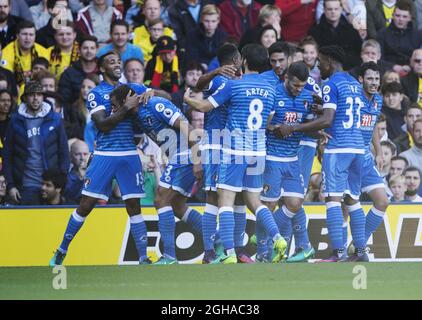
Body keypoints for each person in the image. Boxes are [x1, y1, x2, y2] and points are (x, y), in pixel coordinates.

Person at [184, 44, 288, 264]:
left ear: (245, 61)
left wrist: (187, 100)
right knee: (254, 200)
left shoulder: (235, 85)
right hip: (258, 151)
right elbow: (268, 120)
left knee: (225, 200)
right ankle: (277, 237)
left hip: (233, 150)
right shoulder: (271, 88)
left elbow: (203, 107)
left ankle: (229, 253)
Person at [49, 50, 151, 267]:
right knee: (86, 204)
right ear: (102, 68)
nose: (116, 65)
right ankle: (61, 249)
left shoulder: (133, 88)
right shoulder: (96, 93)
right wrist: (127, 107)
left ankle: (144, 258)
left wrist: (152, 94)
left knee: (134, 205)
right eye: (111, 62)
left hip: (129, 154)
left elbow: (164, 97)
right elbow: (103, 124)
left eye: (118, 61)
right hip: (105, 154)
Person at [275, 45, 368, 262]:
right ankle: (361, 251)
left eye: (320, 62)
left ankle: (338, 252)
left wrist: (293, 128)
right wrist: (322, 106)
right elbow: (345, 111)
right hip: (358, 147)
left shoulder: (330, 84)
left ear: (329, 61)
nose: (318, 67)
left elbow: (327, 120)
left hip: (339, 147)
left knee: (332, 199)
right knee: (353, 200)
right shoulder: (355, 84)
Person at [111, 85, 204, 265]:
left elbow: (186, 125)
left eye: (116, 105)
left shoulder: (154, 105)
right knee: (177, 205)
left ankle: (169, 257)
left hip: (185, 154)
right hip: (176, 156)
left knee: (160, 200)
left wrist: (196, 159)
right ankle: (217, 239)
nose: (115, 110)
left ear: (129, 99)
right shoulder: (135, 116)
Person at [194, 43, 250, 263]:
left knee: (236, 197)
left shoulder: (235, 81)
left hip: (233, 145)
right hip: (216, 144)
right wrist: (216, 71)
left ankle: (236, 248)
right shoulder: (220, 80)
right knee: (212, 197)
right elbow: (199, 88)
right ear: (236, 61)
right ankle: (210, 251)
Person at [259, 61, 316, 263]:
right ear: (286, 78)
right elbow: (261, 125)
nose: (298, 90)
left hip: (293, 158)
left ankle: (262, 237)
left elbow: (310, 124)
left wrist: (320, 131)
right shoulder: (273, 94)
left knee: (295, 202)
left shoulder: (307, 97)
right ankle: (262, 252)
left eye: (302, 86)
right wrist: (276, 128)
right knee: (269, 203)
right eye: (295, 85)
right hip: (272, 157)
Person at [344, 62, 389, 250]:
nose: (374, 82)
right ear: (361, 79)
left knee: (382, 201)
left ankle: (357, 244)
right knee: (345, 205)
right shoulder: (353, 99)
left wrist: (378, 152)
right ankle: (340, 247)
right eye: (370, 78)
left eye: (377, 79)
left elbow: (372, 129)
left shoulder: (377, 100)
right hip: (348, 158)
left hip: (365, 158)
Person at [3, 81, 69, 205]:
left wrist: (62, 180)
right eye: (31, 94)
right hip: (26, 185)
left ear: (43, 97)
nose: (35, 98)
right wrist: (11, 185)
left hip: (51, 185)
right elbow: (7, 155)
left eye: (38, 94)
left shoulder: (55, 119)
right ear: (25, 98)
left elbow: (64, 151)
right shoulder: (15, 121)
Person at [309, 0, 362, 70]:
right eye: (329, 9)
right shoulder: (314, 32)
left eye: (336, 9)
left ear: (341, 10)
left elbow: (358, 52)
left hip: (350, 70)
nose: (333, 12)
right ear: (324, 10)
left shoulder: (351, 30)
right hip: (324, 71)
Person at [1, 20, 49, 97]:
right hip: (15, 91)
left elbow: (48, 76)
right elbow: (7, 77)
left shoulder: (43, 51)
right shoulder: (6, 52)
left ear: (35, 36)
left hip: (39, 90)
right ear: (17, 35)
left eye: (31, 35)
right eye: (24, 34)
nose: (28, 38)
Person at [376, 0, 422, 76]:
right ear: (392, 16)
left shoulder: (418, 35)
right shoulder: (382, 34)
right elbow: (379, 58)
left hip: (412, 73)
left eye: (404, 16)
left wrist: (410, 66)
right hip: (388, 72)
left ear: (410, 18)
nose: (401, 19)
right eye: (398, 16)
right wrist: (393, 66)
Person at [58, 35, 98, 106]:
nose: (89, 51)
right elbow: (64, 100)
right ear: (78, 50)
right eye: (85, 48)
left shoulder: (103, 71)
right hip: (75, 113)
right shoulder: (69, 74)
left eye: (92, 48)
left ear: (97, 50)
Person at [185, 4, 227, 69]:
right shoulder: (192, 35)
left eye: (213, 21)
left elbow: (224, 58)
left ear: (218, 21)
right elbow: (191, 57)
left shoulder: (223, 36)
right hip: (198, 70)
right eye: (207, 21)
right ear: (201, 19)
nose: (210, 25)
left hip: (217, 70)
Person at [63, 139, 90, 204]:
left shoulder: (96, 174)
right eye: (78, 154)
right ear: (70, 157)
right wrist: (81, 178)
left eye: (85, 154)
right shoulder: (65, 179)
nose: (82, 158)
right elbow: (71, 198)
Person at [0, 89, 13, 168]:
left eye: (8, 100)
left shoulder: (13, 123)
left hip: (9, 166)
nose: (6, 103)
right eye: (3, 100)